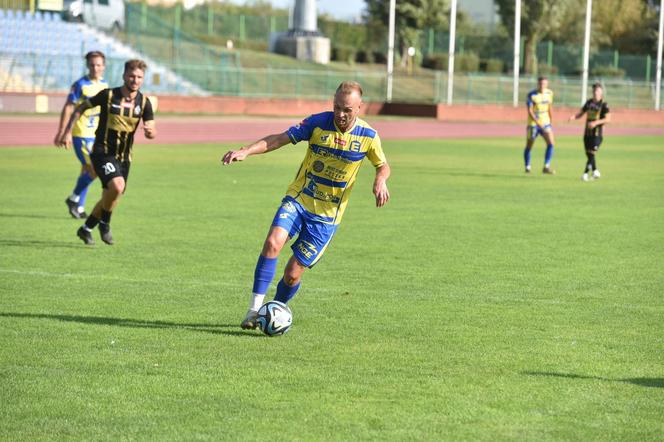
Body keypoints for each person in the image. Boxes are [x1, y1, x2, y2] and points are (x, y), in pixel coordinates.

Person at [222, 81, 391, 330]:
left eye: (347, 109)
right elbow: (280, 138)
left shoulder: (368, 136)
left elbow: (382, 164)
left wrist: (380, 179)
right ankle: (254, 310)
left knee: (292, 273)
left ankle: (273, 313)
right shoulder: (317, 123)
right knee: (272, 243)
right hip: (299, 199)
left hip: (326, 217)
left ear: (359, 107)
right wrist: (247, 150)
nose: (340, 115)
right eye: (336, 108)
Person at [58, 59, 157, 245]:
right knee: (117, 187)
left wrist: (151, 132)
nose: (135, 80)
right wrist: (67, 132)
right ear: (124, 75)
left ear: (143, 79)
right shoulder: (108, 95)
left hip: (124, 157)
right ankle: (104, 224)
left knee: (110, 196)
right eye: (131, 76)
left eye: (139, 77)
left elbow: (152, 129)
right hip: (102, 152)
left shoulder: (144, 103)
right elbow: (80, 107)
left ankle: (86, 228)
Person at [53, 51, 108, 219]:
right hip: (81, 134)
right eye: (92, 65)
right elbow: (69, 107)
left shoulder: (105, 85)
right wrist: (64, 132)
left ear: (103, 67)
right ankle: (73, 199)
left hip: (96, 135)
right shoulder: (80, 85)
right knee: (96, 169)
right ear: (87, 66)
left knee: (86, 171)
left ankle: (79, 207)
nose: (95, 68)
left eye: (98, 65)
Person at [569, 83, 611, 182]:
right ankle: (595, 171)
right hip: (587, 133)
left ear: (601, 92)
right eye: (594, 91)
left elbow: (608, 119)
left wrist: (596, 122)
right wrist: (574, 117)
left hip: (597, 134)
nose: (596, 93)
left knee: (592, 152)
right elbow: (581, 113)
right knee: (589, 154)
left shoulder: (604, 104)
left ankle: (585, 173)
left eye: (598, 91)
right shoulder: (589, 103)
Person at [524, 76, 556, 174]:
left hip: (545, 123)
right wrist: (539, 123)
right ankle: (527, 167)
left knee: (551, 144)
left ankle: (546, 167)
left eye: (544, 84)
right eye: (540, 83)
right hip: (533, 124)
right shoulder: (531, 95)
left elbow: (550, 107)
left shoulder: (549, 93)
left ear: (547, 84)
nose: (542, 85)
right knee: (529, 145)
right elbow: (530, 111)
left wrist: (551, 121)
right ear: (537, 84)